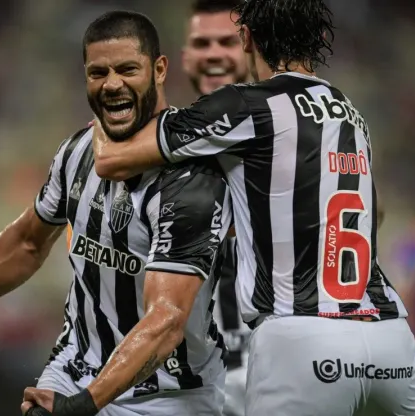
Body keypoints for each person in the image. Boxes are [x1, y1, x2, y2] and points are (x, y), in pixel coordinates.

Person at [90, 0, 415, 414]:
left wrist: (108, 101)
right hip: (391, 342)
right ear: (321, 40)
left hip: (300, 338)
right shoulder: (351, 113)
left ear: (246, 38)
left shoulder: (247, 105)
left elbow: (112, 159)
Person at [0, 11, 233, 416]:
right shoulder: (78, 151)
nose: (112, 84)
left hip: (171, 394)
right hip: (75, 369)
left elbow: (166, 321)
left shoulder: (192, 178)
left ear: (160, 69)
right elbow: (27, 241)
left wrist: (84, 406)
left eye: (127, 69)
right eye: (98, 73)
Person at [181, 2, 249, 416]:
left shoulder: (295, 133)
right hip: (197, 380)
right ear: (183, 57)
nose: (213, 54)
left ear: (252, 48)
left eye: (227, 41)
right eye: (201, 44)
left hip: (278, 366)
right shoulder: (169, 142)